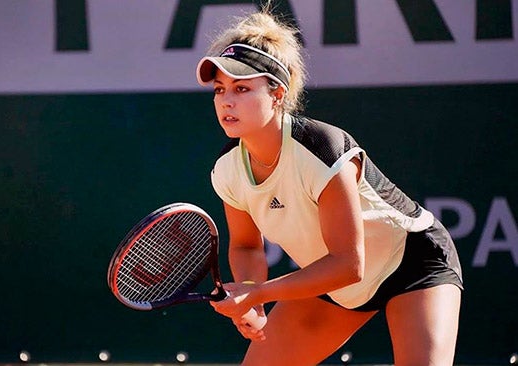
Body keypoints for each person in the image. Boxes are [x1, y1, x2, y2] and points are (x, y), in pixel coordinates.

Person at [195, 4, 463, 366]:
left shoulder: (322, 149)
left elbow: (348, 264)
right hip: (333, 289)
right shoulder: (228, 170)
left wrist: (259, 291)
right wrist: (252, 298)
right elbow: (245, 247)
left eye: (242, 88)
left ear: (277, 94)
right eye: (219, 89)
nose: (226, 100)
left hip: (413, 265)